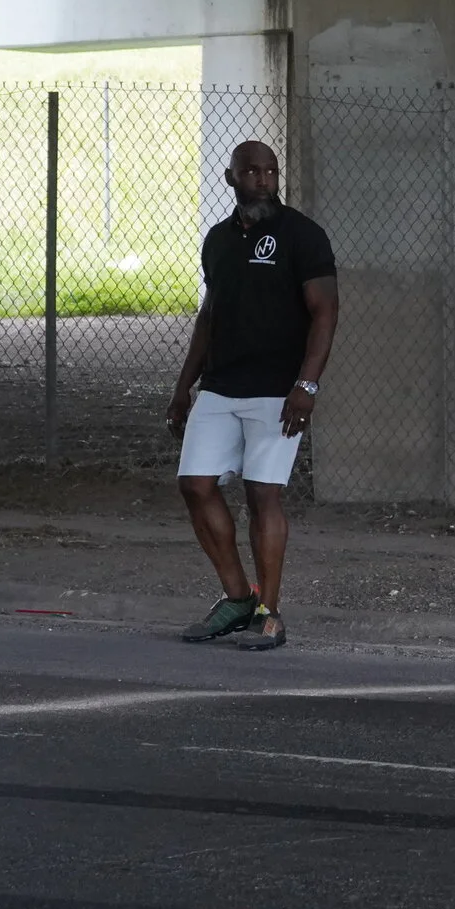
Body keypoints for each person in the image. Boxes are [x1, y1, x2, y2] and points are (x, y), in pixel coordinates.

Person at [172, 141, 338, 653]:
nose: (263, 179)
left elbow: (325, 312)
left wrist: (306, 386)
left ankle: (271, 613)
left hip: (278, 392)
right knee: (195, 485)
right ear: (231, 178)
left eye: (270, 171)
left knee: (263, 493)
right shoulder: (218, 241)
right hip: (221, 385)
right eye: (252, 172)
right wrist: (184, 385)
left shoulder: (302, 236)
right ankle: (237, 597)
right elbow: (210, 315)